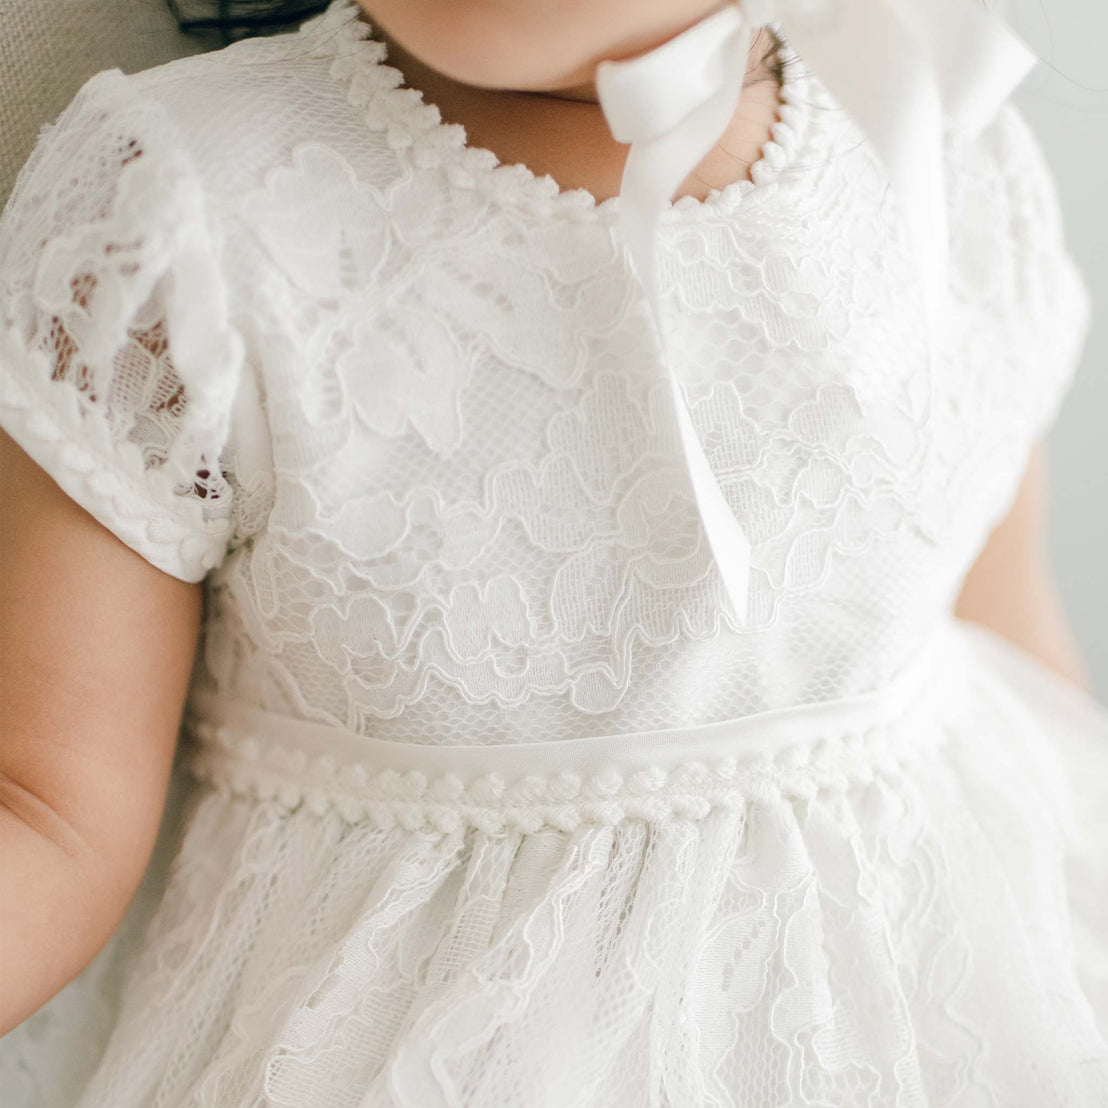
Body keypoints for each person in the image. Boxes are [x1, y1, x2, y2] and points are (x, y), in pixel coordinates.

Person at [1, 0, 1106, 1104]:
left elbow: (1014, 657)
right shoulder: (197, 200)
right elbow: (47, 807)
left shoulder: (932, 138)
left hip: (936, 1015)